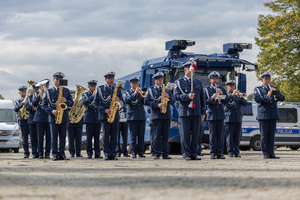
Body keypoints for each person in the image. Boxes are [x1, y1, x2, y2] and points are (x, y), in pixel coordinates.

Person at [174, 62, 206, 161]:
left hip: (196, 112)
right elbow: (176, 97)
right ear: (185, 70)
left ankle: (194, 153)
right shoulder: (179, 82)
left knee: (196, 134)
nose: (193, 70)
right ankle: (186, 153)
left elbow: (202, 98)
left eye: (193, 69)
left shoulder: (198, 82)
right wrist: (187, 96)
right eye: (191, 68)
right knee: (185, 134)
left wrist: (203, 111)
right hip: (185, 112)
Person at [41, 72, 73, 161]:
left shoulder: (66, 90)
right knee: (53, 137)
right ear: (54, 80)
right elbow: (43, 105)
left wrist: (66, 100)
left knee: (63, 136)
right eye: (57, 79)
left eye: (60, 80)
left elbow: (72, 103)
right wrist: (51, 111)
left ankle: (62, 154)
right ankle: (55, 154)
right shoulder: (48, 91)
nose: (58, 81)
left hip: (64, 117)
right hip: (53, 117)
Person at [253, 71, 285, 159]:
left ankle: (271, 153)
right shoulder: (258, 89)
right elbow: (257, 99)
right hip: (263, 115)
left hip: (273, 115)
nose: (268, 81)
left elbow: (282, 98)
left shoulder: (273, 88)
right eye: (266, 79)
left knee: (271, 135)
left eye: (269, 79)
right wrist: (267, 96)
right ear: (262, 80)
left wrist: (277, 92)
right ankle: (265, 153)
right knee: (264, 135)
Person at [94, 72, 123, 160]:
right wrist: (104, 110)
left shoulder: (117, 89)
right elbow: (95, 103)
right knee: (106, 136)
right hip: (105, 115)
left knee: (114, 136)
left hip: (115, 115)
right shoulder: (100, 89)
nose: (112, 80)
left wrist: (119, 100)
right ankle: (107, 153)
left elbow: (122, 102)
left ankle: (113, 154)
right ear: (106, 80)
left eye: (113, 79)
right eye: (110, 79)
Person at [145, 73, 175, 160]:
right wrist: (156, 105)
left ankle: (165, 153)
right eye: (159, 80)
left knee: (166, 135)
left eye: (162, 80)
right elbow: (146, 101)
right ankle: (156, 153)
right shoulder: (151, 90)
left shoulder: (167, 89)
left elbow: (173, 101)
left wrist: (168, 96)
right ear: (155, 81)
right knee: (156, 135)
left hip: (166, 115)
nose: (161, 82)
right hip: (156, 115)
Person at [204, 71, 229, 159]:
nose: (215, 80)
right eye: (213, 79)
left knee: (220, 135)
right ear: (210, 80)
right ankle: (213, 152)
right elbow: (205, 102)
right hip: (212, 115)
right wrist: (212, 98)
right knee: (212, 134)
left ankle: (219, 152)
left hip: (220, 114)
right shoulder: (207, 89)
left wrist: (222, 94)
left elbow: (227, 102)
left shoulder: (222, 89)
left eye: (216, 79)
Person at [124, 76, 146, 158]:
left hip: (141, 116)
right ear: (131, 84)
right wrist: (134, 93)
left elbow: (145, 102)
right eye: (134, 83)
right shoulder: (127, 92)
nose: (136, 85)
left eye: (137, 83)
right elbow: (127, 101)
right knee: (133, 136)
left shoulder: (140, 92)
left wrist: (143, 94)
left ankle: (141, 152)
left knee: (141, 135)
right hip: (132, 117)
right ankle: (133, 152)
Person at [224, 80, 247, 157]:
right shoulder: (226, 95)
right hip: (229, 119)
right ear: (227, 88)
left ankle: (236, 151)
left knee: (237, 137)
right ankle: (230, 151)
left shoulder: (237, 96)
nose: (232, 88)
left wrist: (241, 98)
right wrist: (232, 95)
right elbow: (226, 102)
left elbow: (245, 104)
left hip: (237, 118)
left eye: (233, 86)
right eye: (230, 87)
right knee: (229, 137)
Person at [82, 80, 102, 159]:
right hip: (89, 118)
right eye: (92, 86)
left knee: (97, 137)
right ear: (89, 87)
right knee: (89, 137)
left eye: (94, 86)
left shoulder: (99, 94)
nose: (93, 88)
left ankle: (97, 153)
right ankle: (89, 153)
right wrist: (92, 96)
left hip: (97, 118)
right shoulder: (85, 94)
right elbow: (84, 102)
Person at [32, 79, 51, 159]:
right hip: (39, 117)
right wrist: (39, 95)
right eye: (43, 85)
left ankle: (47, 153)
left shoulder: (50, 93)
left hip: (49, 117)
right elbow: (34, 104)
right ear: (40, 87)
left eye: (46, 85)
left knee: (49, 137)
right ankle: (40, 153)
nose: (45, 87)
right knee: (40, 137)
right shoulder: (36, 94)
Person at [14, 86, 30, 158]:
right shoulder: (18, 101)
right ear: (19, 93)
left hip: (30, 120)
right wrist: (22, 104)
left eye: (24, 91)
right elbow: (15, 109)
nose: (23, 93)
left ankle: (35, 152)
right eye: (22, 92)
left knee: (34, 137)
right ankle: (26, 152)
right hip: (23, 121)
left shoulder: (29, 99)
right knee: (25, 138)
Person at [67, 90, 84, 158]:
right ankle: (71, 152)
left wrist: (77, 109)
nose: (75, 97)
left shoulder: (80, 102)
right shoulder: (68, 102)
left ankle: (78, 152)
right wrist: (69, 108)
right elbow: (64, 109)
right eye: (73, 95)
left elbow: (82, 110)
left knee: (78, 138)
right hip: (70, 122)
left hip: (78, 122)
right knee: (70, 139)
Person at [25, 83, 39, 159]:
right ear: (33, 90)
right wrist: (31, 106)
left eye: (37, 89)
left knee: (39, 137)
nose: (36, 91)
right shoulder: (29, 97)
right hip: (32, 119)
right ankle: (34, 152)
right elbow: (27, 108)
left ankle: (39, 152)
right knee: (33, 137)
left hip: (39, 119)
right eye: (35, 89)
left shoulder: (40, 96)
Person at [117, 85, 129, 157]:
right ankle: (118, 151)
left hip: (124, 117)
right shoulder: (115, 98)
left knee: (125, 136)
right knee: (117, 136)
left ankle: (125, 151)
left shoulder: (124, 96)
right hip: (118, 118)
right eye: (119, 90)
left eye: (121, 90)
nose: (121, 91)